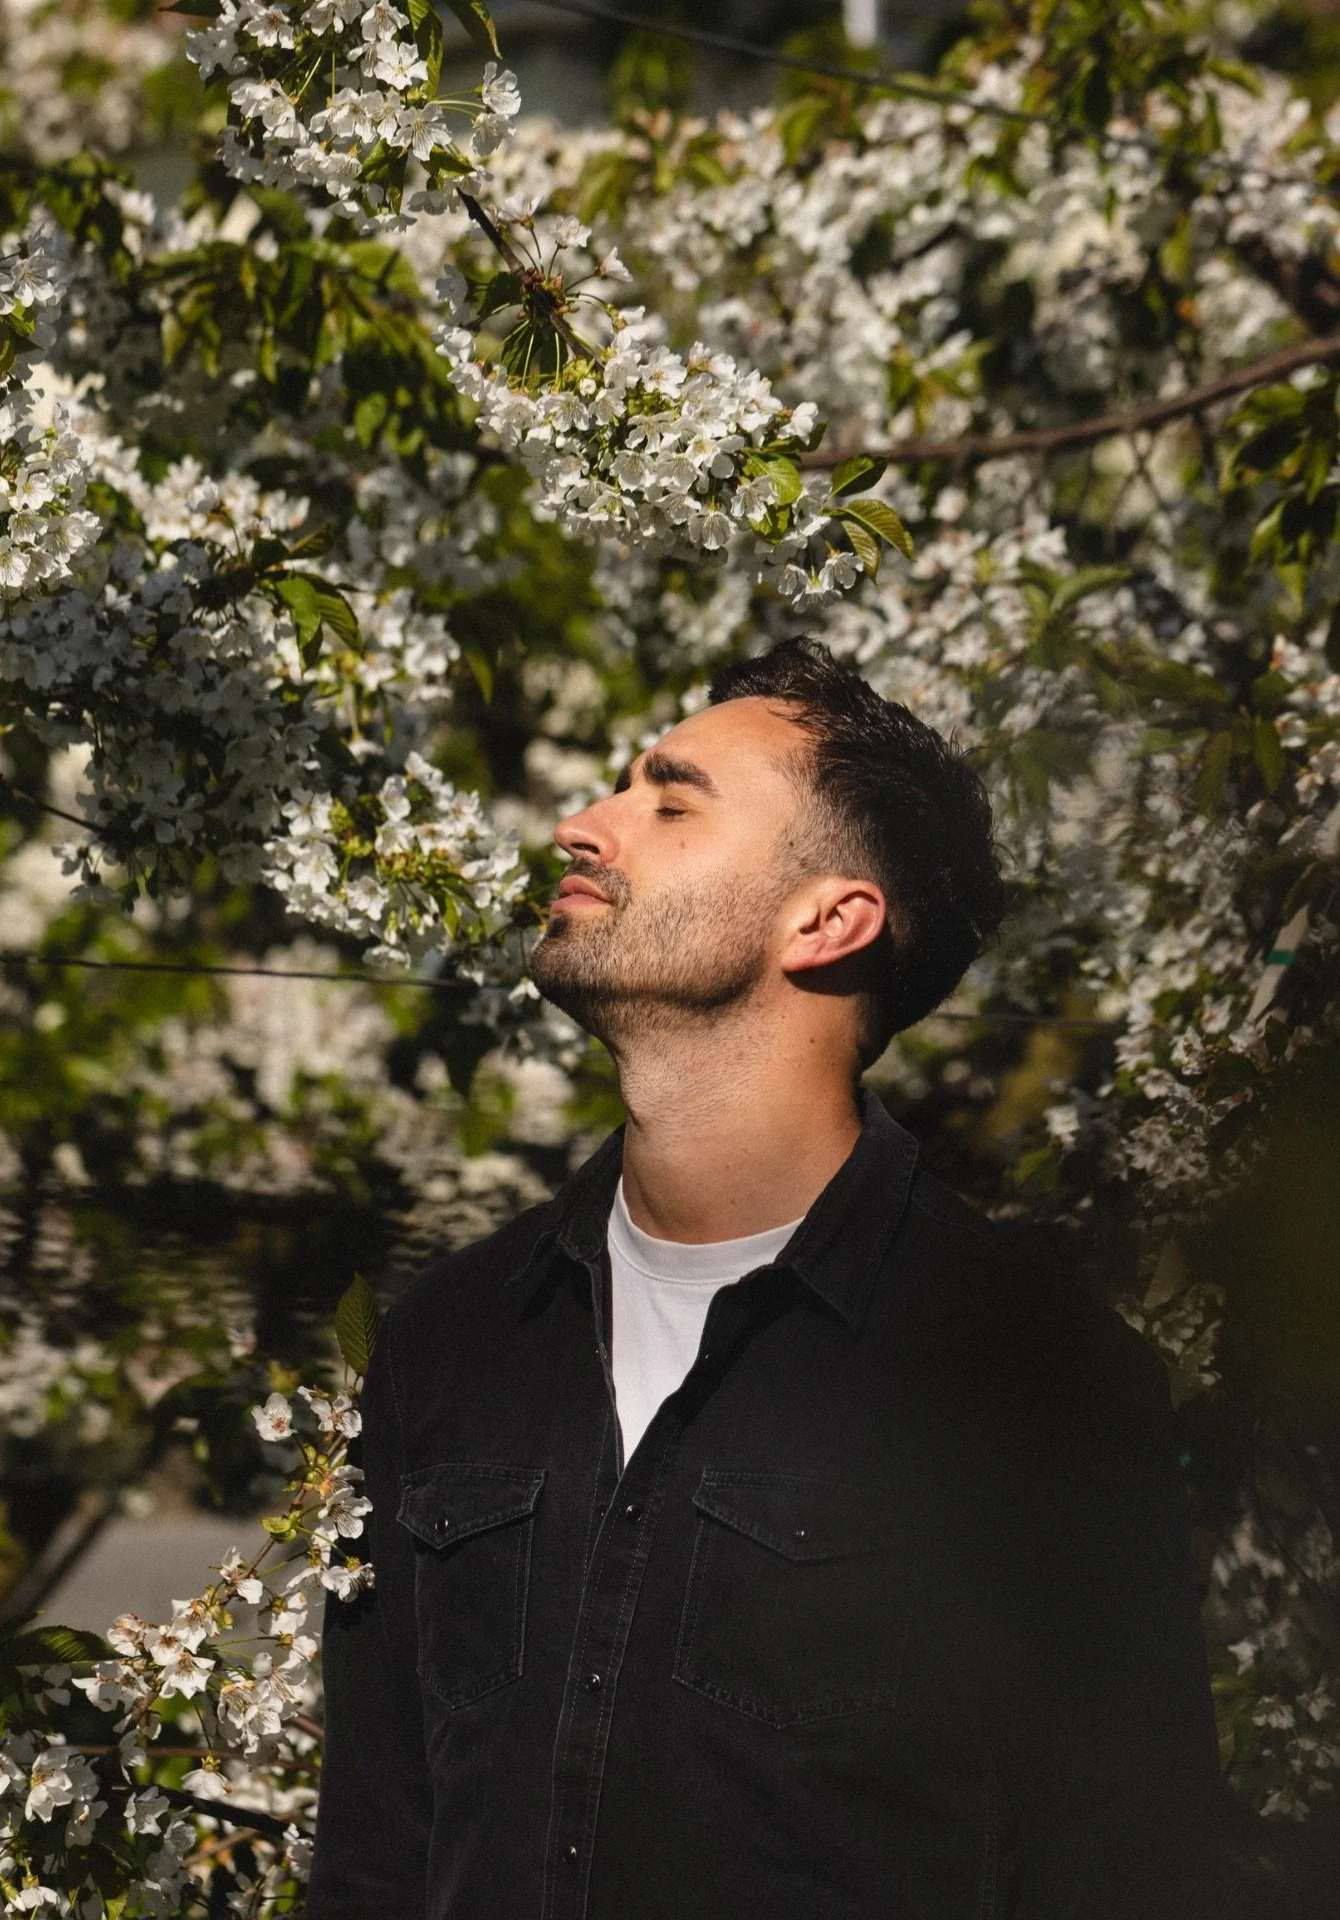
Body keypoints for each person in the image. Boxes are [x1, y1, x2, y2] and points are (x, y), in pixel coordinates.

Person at [309, 637, 1235, 1920]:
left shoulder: (1029, 1375)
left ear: (830, 919)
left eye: (669, 800)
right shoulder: (450, 1342)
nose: (584, 825)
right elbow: (371, 1859)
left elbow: (1134, 1874)